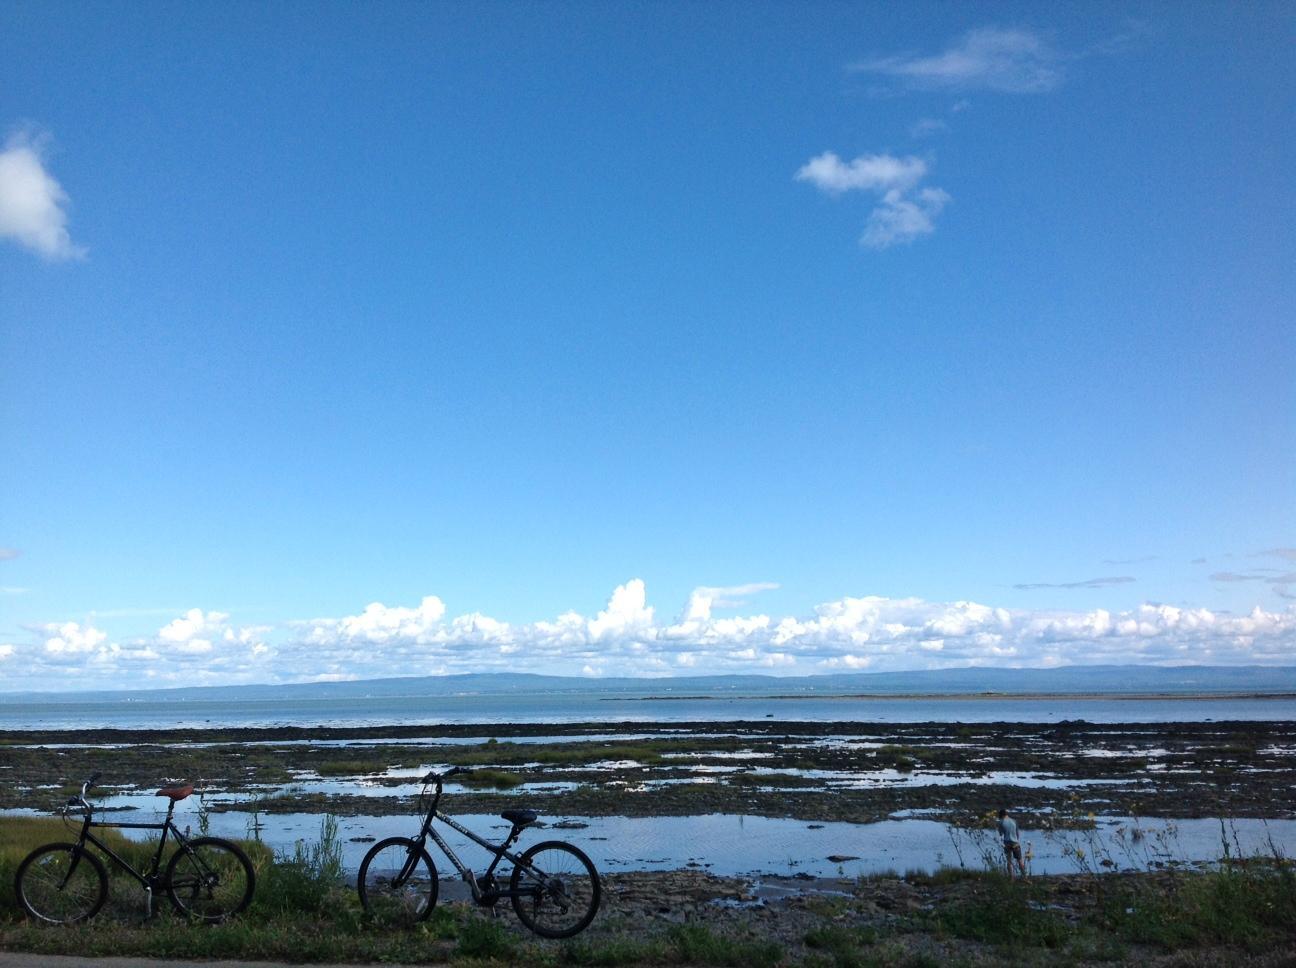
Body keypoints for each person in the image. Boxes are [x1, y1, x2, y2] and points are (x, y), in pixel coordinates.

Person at [997, 808, 1027, 878]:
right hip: (1015, 843)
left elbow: (1001, 834)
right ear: (1006, 814)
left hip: (1007, 843)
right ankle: (1025, 877)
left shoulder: (1000, 822)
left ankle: (1011, 878)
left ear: (1001, 815)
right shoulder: (1014, 821)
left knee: (1009, 861)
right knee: (1020, 861)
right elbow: (1017, 834)